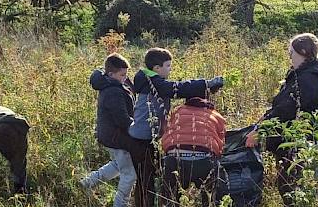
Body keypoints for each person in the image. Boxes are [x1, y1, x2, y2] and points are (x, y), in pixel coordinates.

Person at [129, 47, 225, 207]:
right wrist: (205, 84)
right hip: (141, 140)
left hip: (147, 138)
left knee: (149, 177)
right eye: (168, 66)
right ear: (156, 69)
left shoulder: (151, 80)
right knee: (145, 180)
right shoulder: (153, 81)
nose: (170, 69)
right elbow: (176, 89)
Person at [245, 33, 318, 207]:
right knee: (290, 184)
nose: (289, 57)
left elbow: (286, 110)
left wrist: (260, 131)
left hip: (296, 143)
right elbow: (284, 105)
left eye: (291, 52)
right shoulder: (305, 75)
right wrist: (263, 119)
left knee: (289, 186)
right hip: (293, 140)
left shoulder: (306, 79)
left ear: (302, 52)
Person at [81, 53, 137, 207]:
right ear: (111, 74)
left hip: (110, 135)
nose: (125, 78)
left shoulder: (113, 84)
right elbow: (122, 119)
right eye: (122, 75)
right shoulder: (113, 91)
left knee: (117, 165)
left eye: (126, 74)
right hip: (116, 137)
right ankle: (120, 204)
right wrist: (138, 128)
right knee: (130, 174)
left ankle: (86, 183)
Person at [159, 95, 226, 207]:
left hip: (174, 160)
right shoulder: (215, 115)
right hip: (204, 161)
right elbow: (221, 143)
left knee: (170, 198)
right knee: (211, 197)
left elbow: (167, 132)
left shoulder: (178, 111)